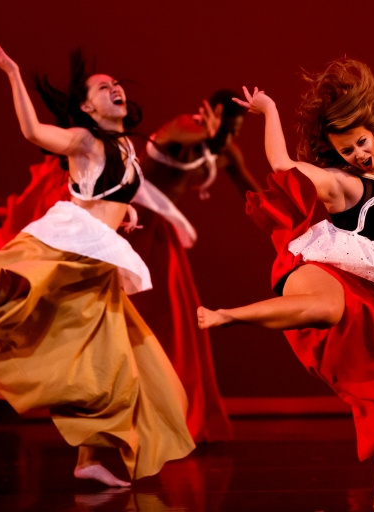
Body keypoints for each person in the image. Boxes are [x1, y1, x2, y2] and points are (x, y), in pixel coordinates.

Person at [198, 59, 374, 511]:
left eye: (362, 142)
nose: (360, 154)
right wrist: (269, 109)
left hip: (364, 284)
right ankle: (228, 315)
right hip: (324, 265)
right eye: (348, 150)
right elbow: (280, 163)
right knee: (329, 310)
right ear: (337, 155)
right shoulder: (340, 185)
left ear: (372, 129)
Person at [0, 41, 195, 485]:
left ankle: (88, 458)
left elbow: (118, 192)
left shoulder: (125, 147)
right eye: (103, 86)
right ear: (86, 107)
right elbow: (35, 132)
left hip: (97, 265)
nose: (115, 88)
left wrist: (132, 214)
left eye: (116, 84)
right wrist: (13, 74)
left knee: (115, 365)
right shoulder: (84, 139)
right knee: (7, 293)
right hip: (70, 250)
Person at [121, 91, 261, 443]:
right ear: (212, 113)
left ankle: (174, 414)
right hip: (131, 226)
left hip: (160, 234)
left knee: (179, 322)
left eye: (235, 130)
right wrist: (210, 134)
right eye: (226, 126)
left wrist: (286, 223)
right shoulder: (186, 126)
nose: (229, 137)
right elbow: (180, 136)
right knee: (128, 316)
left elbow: (251, 189)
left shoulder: (225, 149)